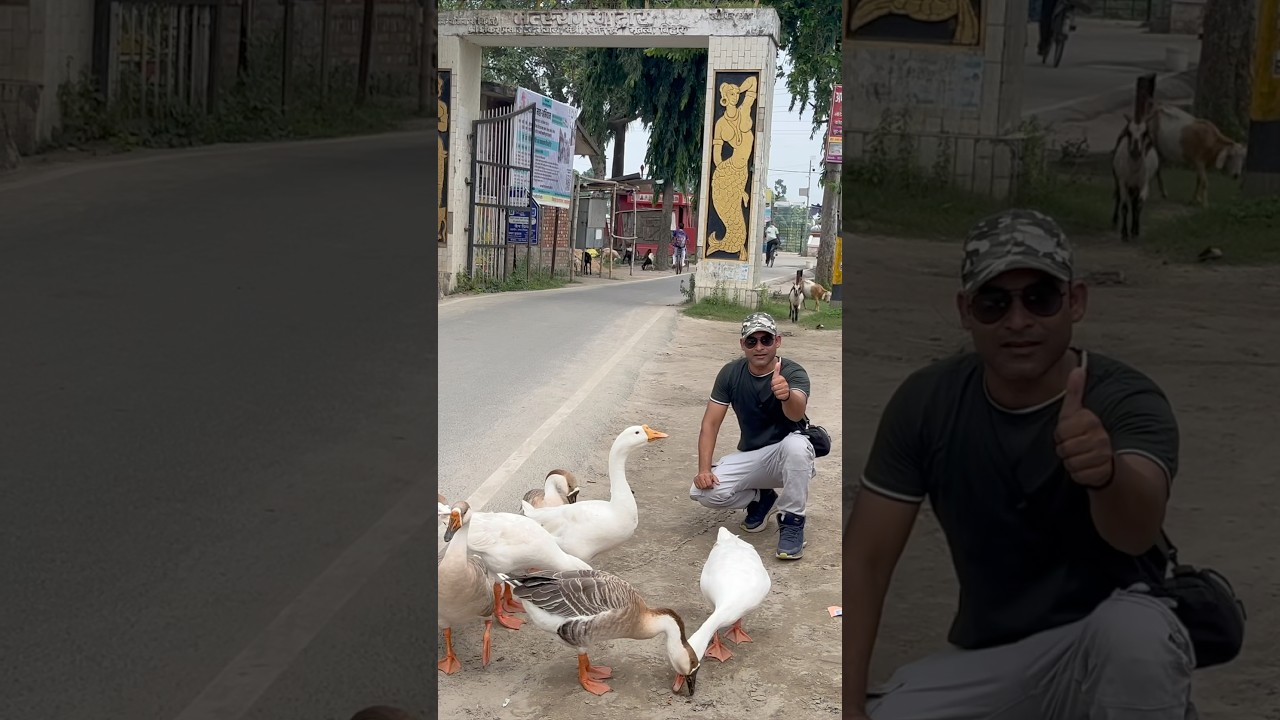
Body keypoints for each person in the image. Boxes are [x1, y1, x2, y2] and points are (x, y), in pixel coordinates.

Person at [845, 208, 1195, 719]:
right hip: (993, 657)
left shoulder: (1125, 399)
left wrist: (1106, 475)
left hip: (1107, 641)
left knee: (1135, 637)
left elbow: (1137, 532)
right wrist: (848, 703)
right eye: (994, 302)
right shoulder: (928, 403)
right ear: (965, 311)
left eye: (1040, 298)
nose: (1018, 320)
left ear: (1075, 302)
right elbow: (866, 560)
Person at [689, 312, 817, 560]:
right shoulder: (731, 373)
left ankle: (792, 522)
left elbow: (796, 413)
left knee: (797, 445)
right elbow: (710, 424)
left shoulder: (792, 372)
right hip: (753, 456)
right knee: (702, 492)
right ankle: (762, 497)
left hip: (790, 458)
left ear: (777, 341)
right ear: (742, 344)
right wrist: (704, 469)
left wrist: (786, 395)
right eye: (752, 341)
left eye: (766, 340)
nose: (759, 347)